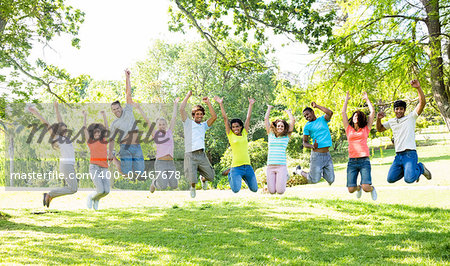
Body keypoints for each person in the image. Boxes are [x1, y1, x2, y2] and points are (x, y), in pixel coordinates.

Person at [376, 79, 432, 183]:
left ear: (404, 110)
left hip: (410, 153)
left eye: (401, 109)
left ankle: (420, 168)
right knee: (390, 179)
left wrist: (418, 88)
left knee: (409, 179)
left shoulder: (411, 117)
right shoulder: (392, 121)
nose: (399, 111)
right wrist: (378, 119)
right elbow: (379, 129)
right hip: (398, 156)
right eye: (397, 109)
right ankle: (412, 171)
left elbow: (422, 103)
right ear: (394, 110)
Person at [28, 101, 77, 207]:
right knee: (73, 188)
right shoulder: (56, 138)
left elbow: (60, 120)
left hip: (69, 165)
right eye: (63, 128)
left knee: (73, 188)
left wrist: (56, 107)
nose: (65, 129)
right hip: (66, 165)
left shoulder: (65, 138)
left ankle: (50, 196)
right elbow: (46, 123)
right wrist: (35, 113)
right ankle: (49, 194)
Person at [135, 98, 179, 193]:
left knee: (174, 185)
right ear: (157, 126)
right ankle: (154, 183)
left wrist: (175, 104)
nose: (162, 126)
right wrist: (139, 108)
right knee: (162, 186)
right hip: (160, 163)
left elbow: (174, 118)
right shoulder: (155, 134)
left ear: (166, 125)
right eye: (160, 124)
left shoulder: (169, 132)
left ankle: (160, 180)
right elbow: (147, 120)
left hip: (170, 163)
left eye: (163, 124)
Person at [215, 96, 258, 193]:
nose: (235, 129)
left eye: (237, 126)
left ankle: (244, 177)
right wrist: (221, 104)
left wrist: (251, 104)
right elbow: (225, 119)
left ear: (241, 126)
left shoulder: (244, 133)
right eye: (233, 127)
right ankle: (231, 173)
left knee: (254, 189)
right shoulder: (230, 135)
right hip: (236, 167)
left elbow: (248, 118)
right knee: (235, 190)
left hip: (247, 166)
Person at [180, 90, 217, 198]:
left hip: (201, 154)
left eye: (201, 114)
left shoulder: (204, 125)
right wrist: (188, 95)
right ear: (193, 115)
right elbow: (181, 109)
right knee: (192, 178)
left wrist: (208, 103)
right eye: (197, 114)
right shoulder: (187, 123)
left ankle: (203, 178)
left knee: (211, 176)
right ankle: (193, 187)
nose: (199, 116)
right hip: (190, 154)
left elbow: (214, 117)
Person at [108, 69, 145, 177]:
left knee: (139, 173)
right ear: (112, 111)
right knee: (126, 173)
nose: (116, 111)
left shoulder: (128, 110)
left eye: (117, 108)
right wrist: (110, 153)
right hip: (125, 146)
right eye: (113, 109)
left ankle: (121, 165)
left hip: (136, 145)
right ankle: (114, 158)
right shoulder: (114, 124)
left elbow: (128, 94)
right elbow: (111, 140)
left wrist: (127, 78)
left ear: (121, 107)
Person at [342, 91, 377, 200]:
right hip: (352, 161)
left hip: (364, 161)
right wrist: (347, 99)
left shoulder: (366, 129)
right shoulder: (348, 129)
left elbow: (372, 112)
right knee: (351, 189)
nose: (355, 117)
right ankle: (358, 188)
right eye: (354, 116)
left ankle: (372, 189)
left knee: (366, 187)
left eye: (357, 116)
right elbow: (343, 113)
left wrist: (367, 99)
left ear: (361, 118)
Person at [299, 102, 335, 185]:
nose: (306, 117)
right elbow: (304, 142)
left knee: (331, 180)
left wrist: (317, 106)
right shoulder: (307, 126)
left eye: (307, 114)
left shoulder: (323, 119)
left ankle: (320, 171)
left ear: (312, 112)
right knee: (313, 180)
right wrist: (312, 146)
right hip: (317, 155)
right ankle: (298, 171)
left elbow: (330, 112)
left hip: (327, 155)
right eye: (305, 116)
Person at [82, 110, 111, 210]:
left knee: (106, 191)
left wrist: (104, 116)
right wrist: (85, 116)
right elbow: (84, 129)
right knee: (100, 190)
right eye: (94, 132)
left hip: (104, 168)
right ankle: (91, 197)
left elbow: (107, 128)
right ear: (92, 133)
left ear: (101, 133)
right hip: (94, 167)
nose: (97, 133)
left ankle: (96, 199)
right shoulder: (90, 142)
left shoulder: (104, 141)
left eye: (98, 131)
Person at [264, 105, 295, 194]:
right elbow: (266, 120)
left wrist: (288, 112)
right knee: (272, 191)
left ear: (285, 127)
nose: (280, 127)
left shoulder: (286, 136)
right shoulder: (270, 134)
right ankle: (283, 177)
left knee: (280, 191)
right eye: (278, 126)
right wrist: (269, 108)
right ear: (276, 126)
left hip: (281, 165)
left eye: (282, 126)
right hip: (270, 165)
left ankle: (284, 175)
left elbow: (292, 121)